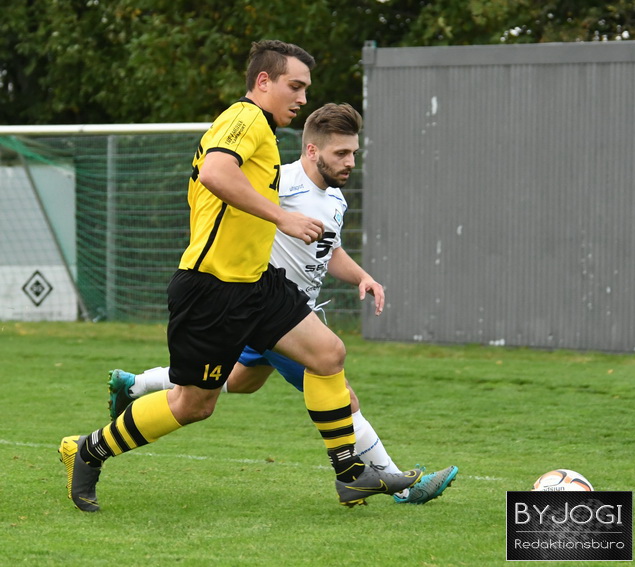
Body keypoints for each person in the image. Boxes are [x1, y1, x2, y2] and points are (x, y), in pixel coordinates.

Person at [59, 40, 424, 513]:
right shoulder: (245, 117)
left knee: (328, 353)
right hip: (212, 287)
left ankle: (352, 476)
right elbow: (215, 172)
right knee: (194, 404)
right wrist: (283, 217)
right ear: (263, 81)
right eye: (295, 86)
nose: (302, 98)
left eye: (306, 89)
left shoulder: (264, 133)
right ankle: (88, 451)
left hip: (257, 283)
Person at [107, 103, 458, 505]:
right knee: (342, 394)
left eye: (354, 153)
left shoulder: (335, 198)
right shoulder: (282, 183)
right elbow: (230, 197)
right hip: (271, 312)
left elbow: (330, 250)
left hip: (285, 315)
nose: (351, 162)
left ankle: (135, 384)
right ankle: (403, 488)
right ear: (311, 150)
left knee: (240, 381)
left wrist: (362, 276)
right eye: (342, 153)